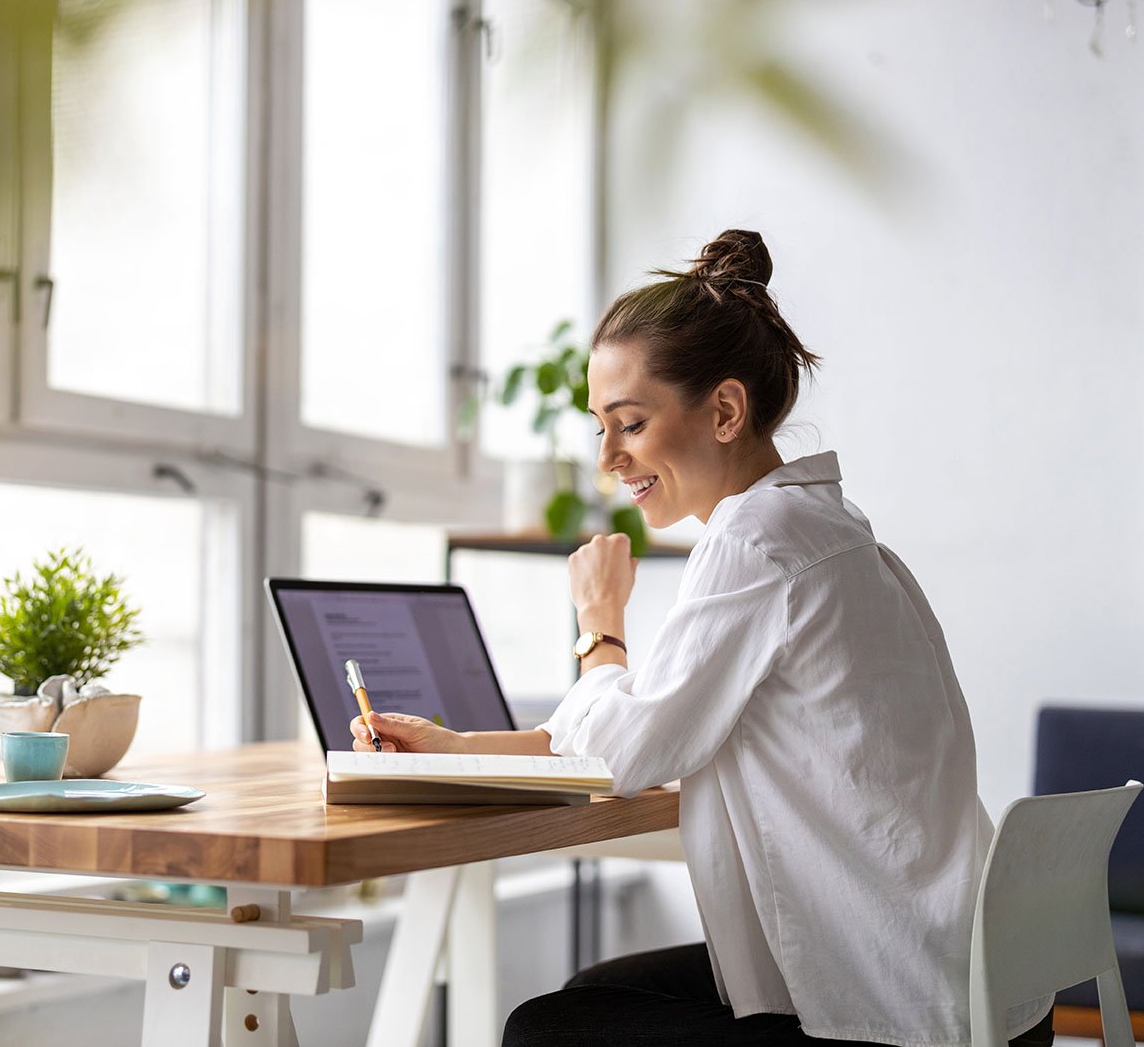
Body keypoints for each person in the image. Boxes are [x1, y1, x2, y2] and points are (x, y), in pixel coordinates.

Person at [350, 230, 1054, 1047]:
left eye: (630, 423)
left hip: (900, 1011)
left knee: (547, 1029)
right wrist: (456, 745)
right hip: (968, 982)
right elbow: (641, 725)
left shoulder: (756, 542)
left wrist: (598, 625)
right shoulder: (824, 527)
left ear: (724, 410)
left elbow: (623, 756)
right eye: (599, 427)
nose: (609, 456)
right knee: (595, 993)